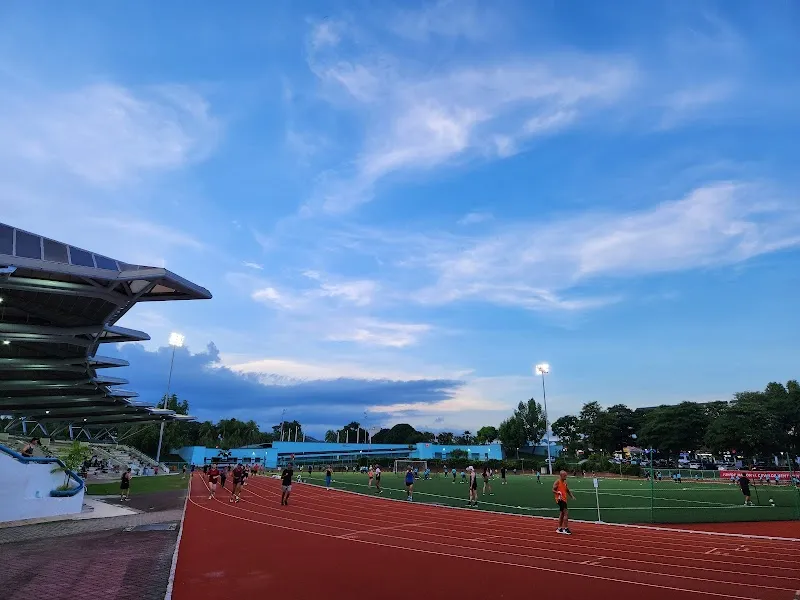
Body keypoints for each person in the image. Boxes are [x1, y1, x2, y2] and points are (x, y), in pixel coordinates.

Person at [553, 470, 576, 535]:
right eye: (564, 475)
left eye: (566, 475)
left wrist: (572, 496)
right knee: (566, 513)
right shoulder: (558, 482)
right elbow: (553, 490)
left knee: (562, 514)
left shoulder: (564, 483)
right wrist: (557, 492)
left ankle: (559, 528)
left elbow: (567, 490)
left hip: (564, 499)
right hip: (560, 499)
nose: (566, 476)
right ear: (561, 476)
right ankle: (566, 528)